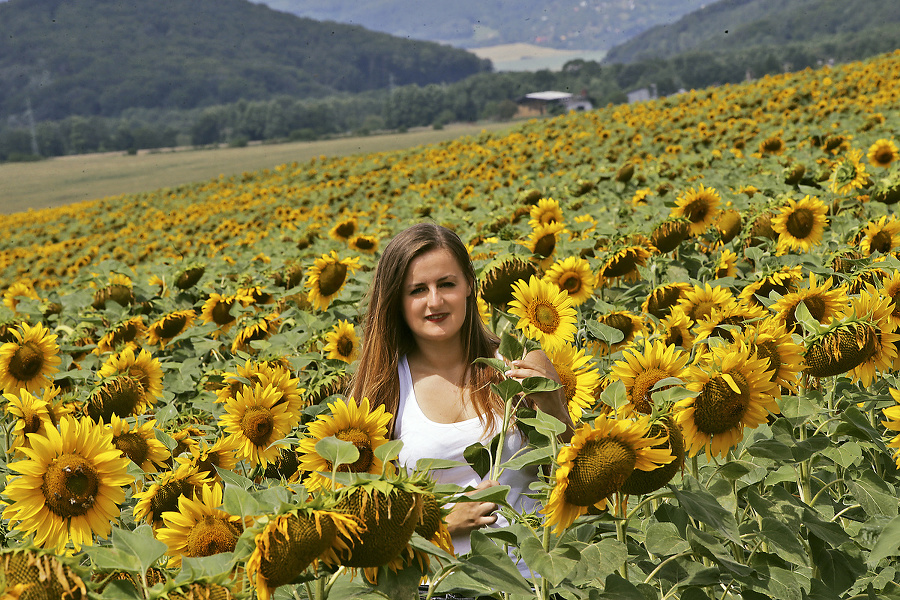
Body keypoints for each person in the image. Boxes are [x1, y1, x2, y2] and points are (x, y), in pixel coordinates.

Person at [351, 222, 574, 561]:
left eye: (446, 284)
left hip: (531, 580)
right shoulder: (385, 388)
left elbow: (574, 477)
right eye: (417, 290)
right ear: (397, 299)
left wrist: (554, 406)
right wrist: (440, 523)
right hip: (438, 584)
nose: (434, 301)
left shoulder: (518, 364)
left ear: (469, 284)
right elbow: (364, 520)